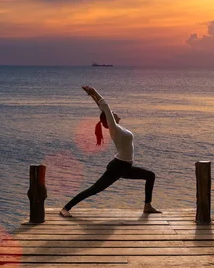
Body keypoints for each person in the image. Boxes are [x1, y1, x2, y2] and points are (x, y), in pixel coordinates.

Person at [59, 86, 161, 217]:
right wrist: (95, 91)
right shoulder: (115, 129)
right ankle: (65, 208)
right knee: (94, 189)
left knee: (150, 176)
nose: (114, 112)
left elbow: (103, 109)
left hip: (125, 167)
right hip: (117, 167)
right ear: (110, 119)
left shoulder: (119, 128)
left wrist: (92, 96)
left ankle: (147, 206)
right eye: (112, 114)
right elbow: (105, 108)